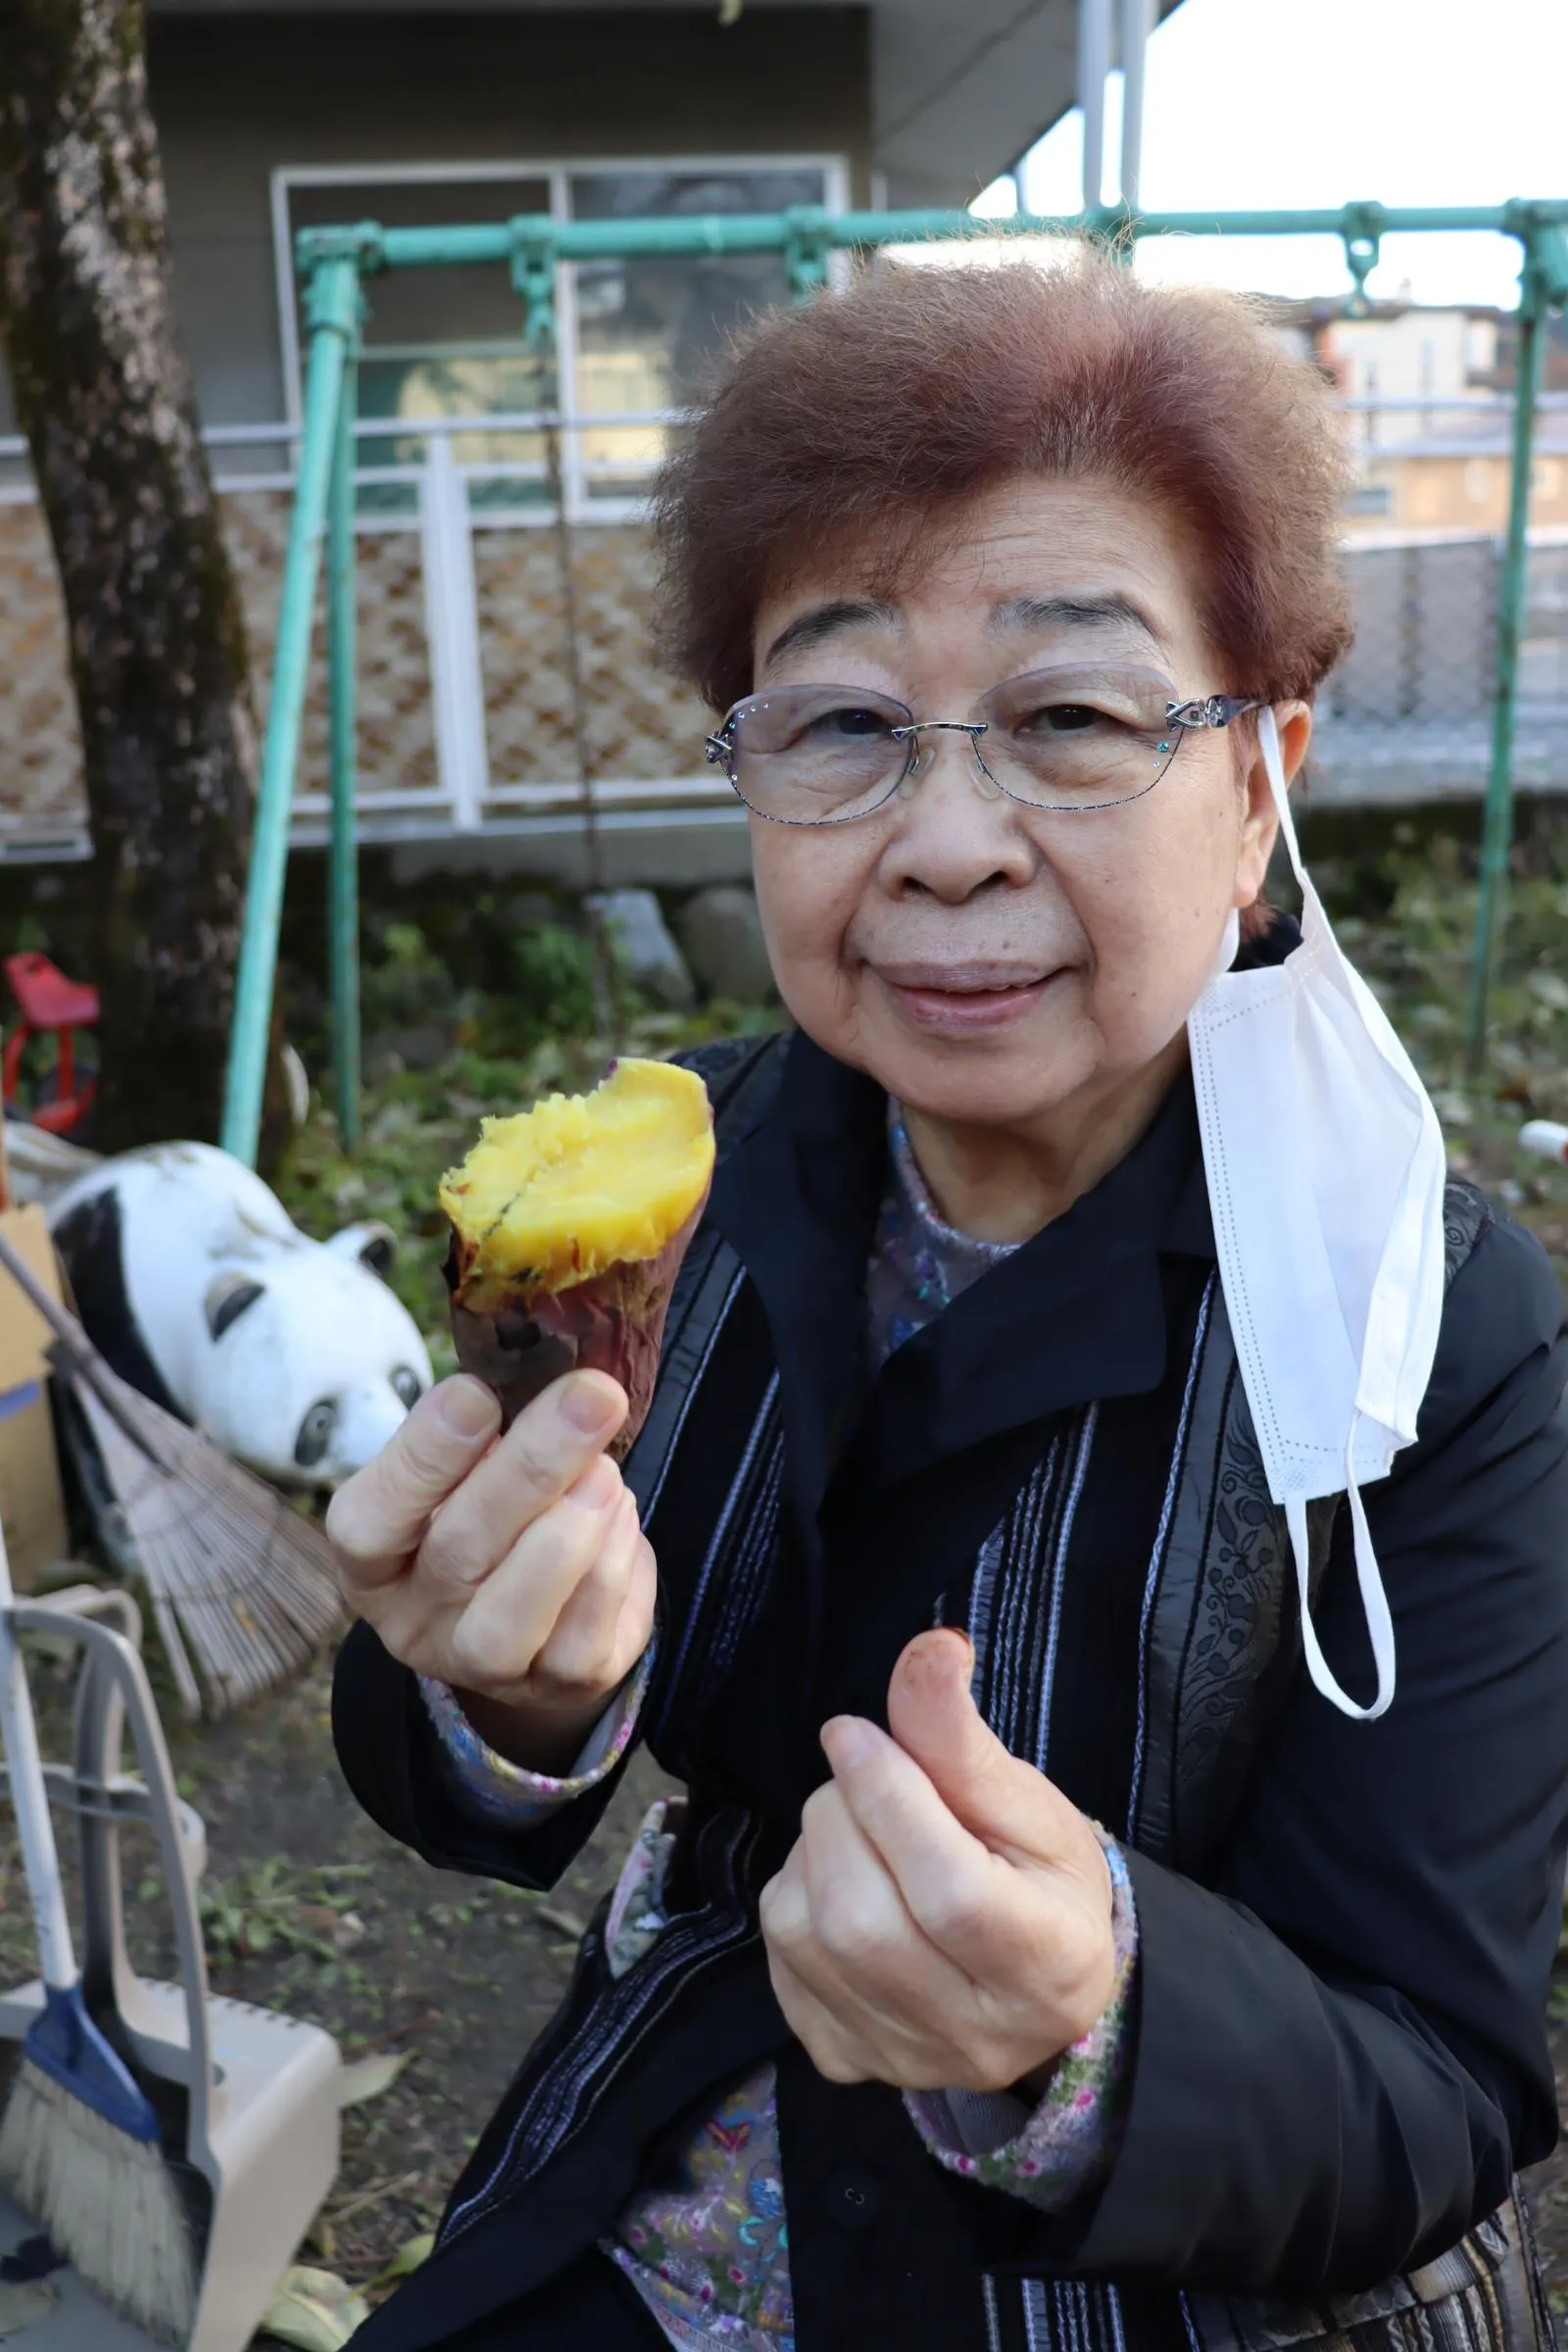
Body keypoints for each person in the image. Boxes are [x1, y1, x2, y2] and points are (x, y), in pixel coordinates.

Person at [327, 252, 1568, 2352]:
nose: (946, 844)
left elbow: (1434, 2088)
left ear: (1255, 783)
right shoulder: (663, 1196)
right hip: (670, 2193)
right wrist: (500, 1700)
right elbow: (452, 1756)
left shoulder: (1423, 1333)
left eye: (1071, 719)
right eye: (840, 726)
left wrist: (1093, 2015)